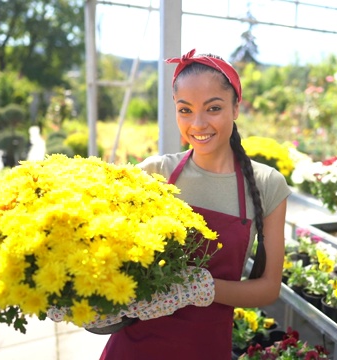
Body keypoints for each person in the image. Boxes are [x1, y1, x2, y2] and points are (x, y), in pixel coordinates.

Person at [98, 49, 291, 359]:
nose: (198, 124)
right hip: (133, 348)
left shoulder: (267, 184)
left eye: (213, 108)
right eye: (184, 110)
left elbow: (268, 288)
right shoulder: (155, 172)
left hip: (204, 348)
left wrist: (199, 288)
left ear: (236, 108)